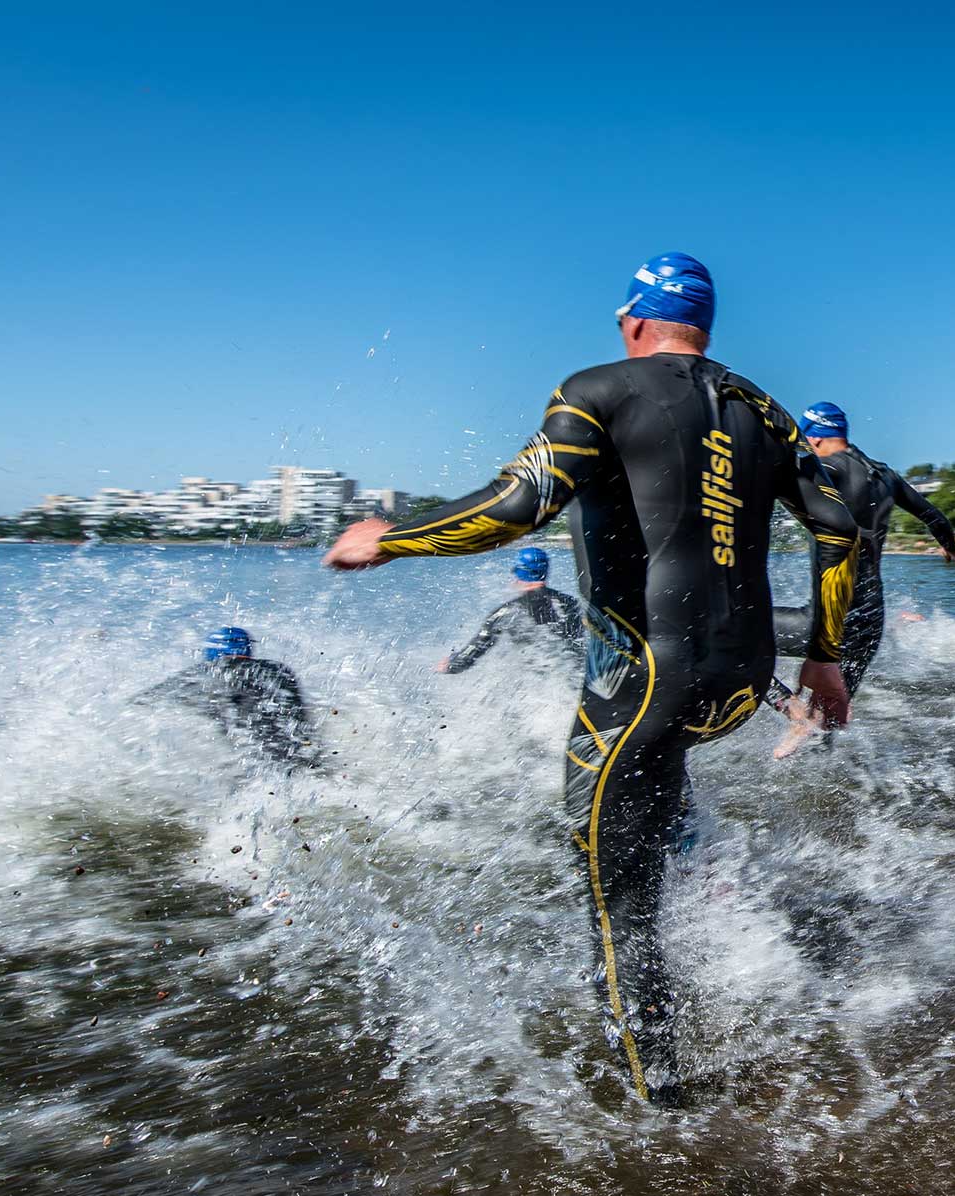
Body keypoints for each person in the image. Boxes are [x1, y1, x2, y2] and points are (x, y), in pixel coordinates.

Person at [321, 252, 860, 1104]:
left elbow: (514, 508)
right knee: (662, 790)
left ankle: (661, 1106)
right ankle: (727, 921)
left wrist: (389, 539)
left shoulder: (599, 388)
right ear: (703, 326)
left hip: (645, 682)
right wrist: (823, 660)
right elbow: (839, 529)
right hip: (743, 681)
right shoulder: (766, 411)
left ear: (634, 321)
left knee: (618, 902)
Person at [764, 401, 955, 753]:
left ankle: (789, 708)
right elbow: (933, 515)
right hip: (870, 619)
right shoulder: (884, 475)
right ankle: (828, 791)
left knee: (734, 633)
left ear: (812, 438)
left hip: (826, 620)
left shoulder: (823, 470)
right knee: (826, 721)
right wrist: (952, 547)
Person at [142, 627, 311, 767]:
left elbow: (146, 701)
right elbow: (297, 713)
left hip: (241, 755)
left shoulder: (202, 674)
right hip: (290, 751)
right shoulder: (277, 670)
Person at [438, 547, 583, 674]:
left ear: (519, 573)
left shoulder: (508, 612)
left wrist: (449, 665)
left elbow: (472, 653)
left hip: (539, 683)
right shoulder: (571, 603)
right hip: (575, 676)